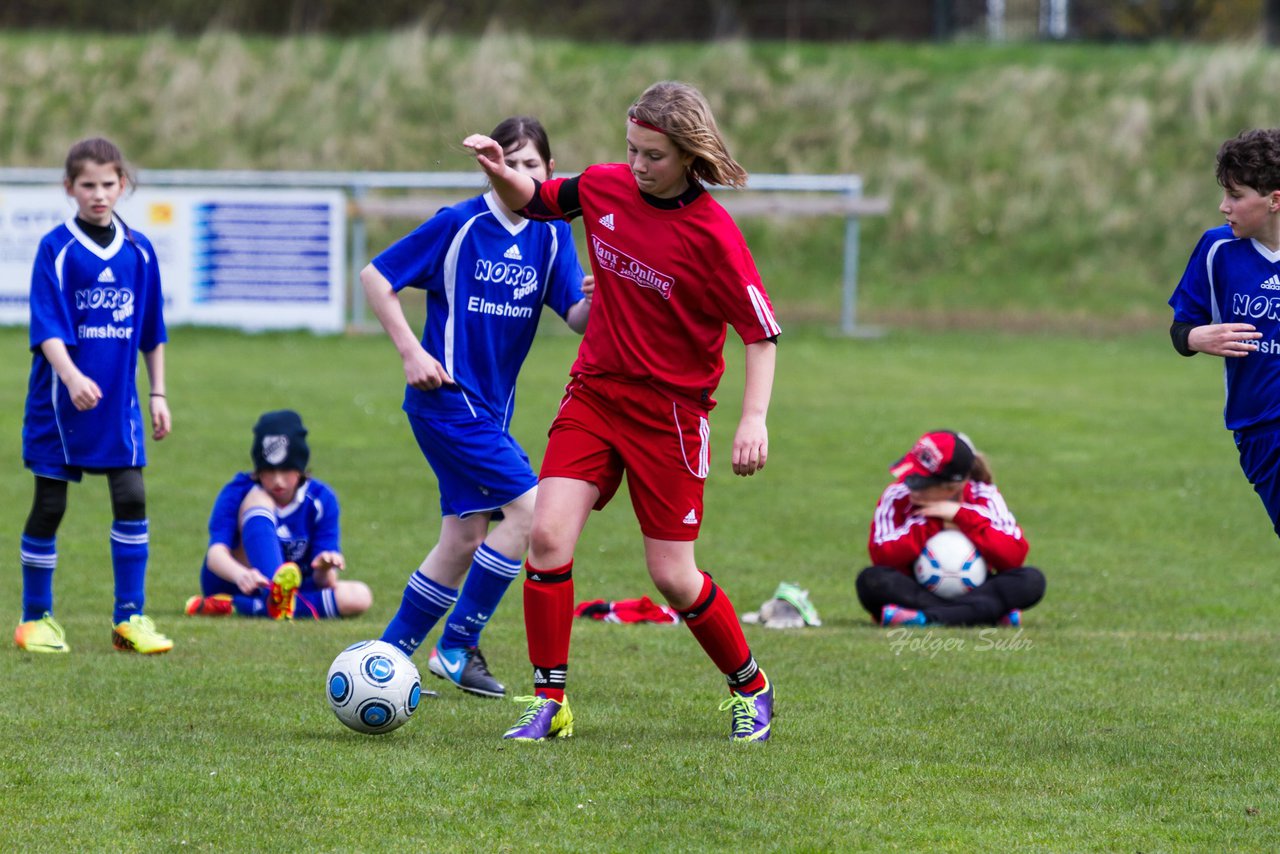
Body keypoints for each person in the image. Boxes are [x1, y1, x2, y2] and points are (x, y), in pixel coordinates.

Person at [463, 80, 782, 742]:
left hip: (670, 415)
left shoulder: (713, 235)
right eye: (632, 149)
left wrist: (754, 419)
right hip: (596, 393)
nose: (638, 166)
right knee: (547, 537)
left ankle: (751, 687)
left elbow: (760, 331)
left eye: (654, 156)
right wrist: (500, 174)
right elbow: (542, 199)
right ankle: (549, 702)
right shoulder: (606, 187)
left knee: (672, 575)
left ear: (688, 155)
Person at [362, 116, 592, 699]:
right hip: (446, 401)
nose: (518, 174)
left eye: (530, 165)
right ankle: (458, 645)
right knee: (532, 513)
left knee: (463, 540)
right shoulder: (459, 224)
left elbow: (577, 318)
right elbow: (375, 276)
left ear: (550, 173)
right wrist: (410, 352)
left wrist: (609, 293)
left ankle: (382, 664)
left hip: (491, 411)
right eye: (508, 163)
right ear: (491, 166)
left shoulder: (552, 233)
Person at [14, 137, 173, 655]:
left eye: (108, 184)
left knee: (131, 497)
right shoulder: (55, 249)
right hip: (58, 406)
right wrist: (72, 375)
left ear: (122, 184)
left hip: (117, 407)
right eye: (88, 185)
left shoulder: (140, 250)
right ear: (69, 188)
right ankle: (34, 619)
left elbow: (152, 331)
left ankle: (130, 619)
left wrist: (158, 394)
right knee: (50, 505)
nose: (99, 194)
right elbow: (46, 327)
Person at [1168, 128, 1280, 538]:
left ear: (1274, 200)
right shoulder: (1217, 250)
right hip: (1263, 430)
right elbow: (1182, 327)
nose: (1223, 206)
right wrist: (1198, 338)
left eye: (1235, 196)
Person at [184, 410, 373, 620]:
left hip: (295, 588)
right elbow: (215, 556)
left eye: (286, 470)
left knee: (359, 596)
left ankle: (240, 606)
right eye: (268, 471)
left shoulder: (322, 499)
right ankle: (273, 597)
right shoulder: (238, 491)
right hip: (237, 582)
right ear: (258, 470)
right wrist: (240, 575)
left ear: (301, 469)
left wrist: (325, 567)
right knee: (258, 498)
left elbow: (325, 582)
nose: (278, 481)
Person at [857, 430, 1046, 627]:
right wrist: (934, 522)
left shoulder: (984, 496)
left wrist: (960, 516)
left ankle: (924, 617)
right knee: (872, 580)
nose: (910, 486)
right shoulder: (896, 495)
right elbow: (882, 555)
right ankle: (985, 614)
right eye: (909, 476)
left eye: (919, 482)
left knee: (1031, 580)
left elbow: (1014, 556)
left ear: (954, 486)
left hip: (977, 588)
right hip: (917, 587)